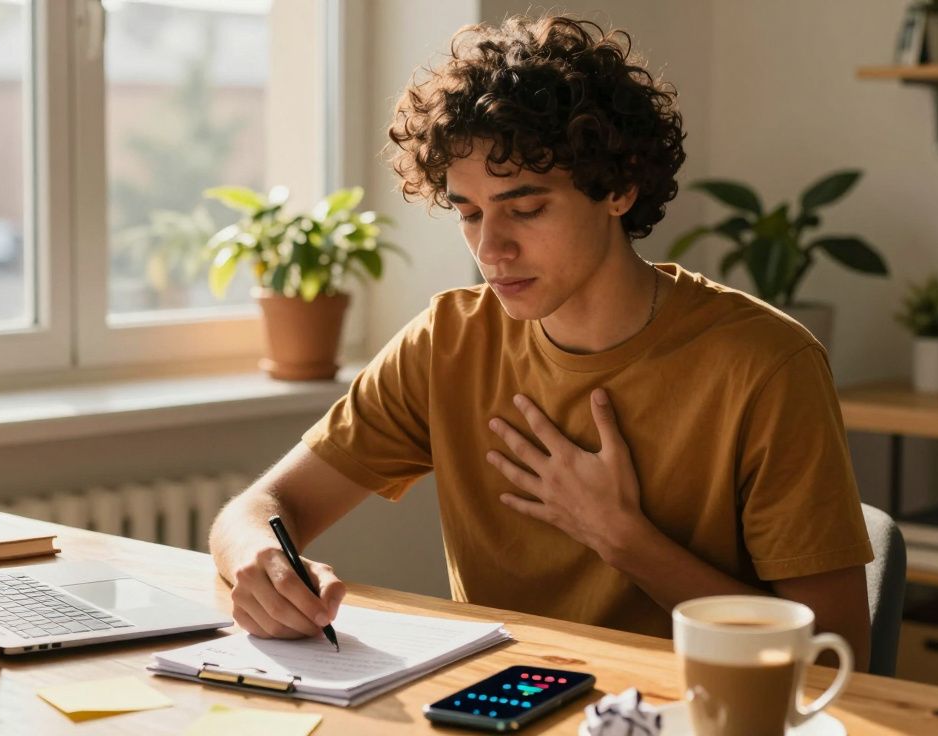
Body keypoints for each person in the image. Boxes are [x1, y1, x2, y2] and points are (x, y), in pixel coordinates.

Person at [209, 14, 873, 670]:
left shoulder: (765, 364)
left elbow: (831, 660)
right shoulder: (449, 343)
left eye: (525, 208)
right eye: (469, 212)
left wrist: (622, 536)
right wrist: (257, 559)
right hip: (502, 709)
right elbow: (259, 508)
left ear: (617, 188)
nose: (490, 249)